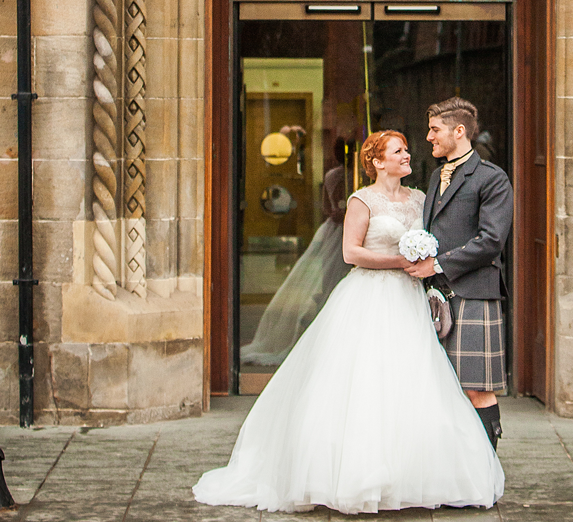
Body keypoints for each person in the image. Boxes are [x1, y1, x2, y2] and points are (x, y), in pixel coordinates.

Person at [193, 130, 504, 514]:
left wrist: (428, 267)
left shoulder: (421, 199)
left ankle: (410, 472)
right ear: (377, 162)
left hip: (409, 299)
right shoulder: (362, 200)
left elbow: (432, 238)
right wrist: (402, 262)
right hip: (370, 295)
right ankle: (356, 475)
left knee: (412, 381)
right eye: (398, 151)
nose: (408, 154)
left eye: (407, 149)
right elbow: (351, 252)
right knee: (364, 380)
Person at [406, 98, 514, 450]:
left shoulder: (491, 178)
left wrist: (436, 264)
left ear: (459, 131)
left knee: (476, 387)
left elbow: (491, 240)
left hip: (474, 294)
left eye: (435, 130)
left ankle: (486, 473)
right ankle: (454, 470)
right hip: (436, 296)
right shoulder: (437, 175)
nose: (428, 137)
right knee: (442, 385)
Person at [240, 138, 353, 366]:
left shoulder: (332, 175)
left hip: (334, 228)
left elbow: (326, 209)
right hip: (340, 230)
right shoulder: (340, 176)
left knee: (331, 281)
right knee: (332, 280)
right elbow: (331, 208)